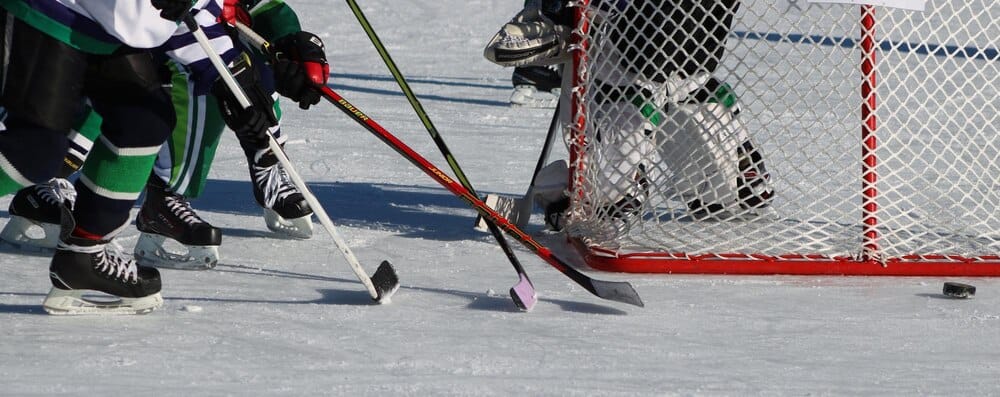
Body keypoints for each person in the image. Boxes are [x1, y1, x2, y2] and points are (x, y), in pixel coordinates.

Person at [1, 0, 330, 270]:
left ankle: (84, 257)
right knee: (34, 149)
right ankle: (155, 196)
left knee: (148, 115)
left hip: (109, 25)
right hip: (55, 14)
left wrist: (257, 72)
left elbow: (205, 15)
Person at [484, 0, 774, 230]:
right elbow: (505, 48)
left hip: (666, 72)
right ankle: (609, 184)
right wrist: (558, 19)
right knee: (610, 202)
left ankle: (733, 163)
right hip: (621, 72)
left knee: (725, 194)